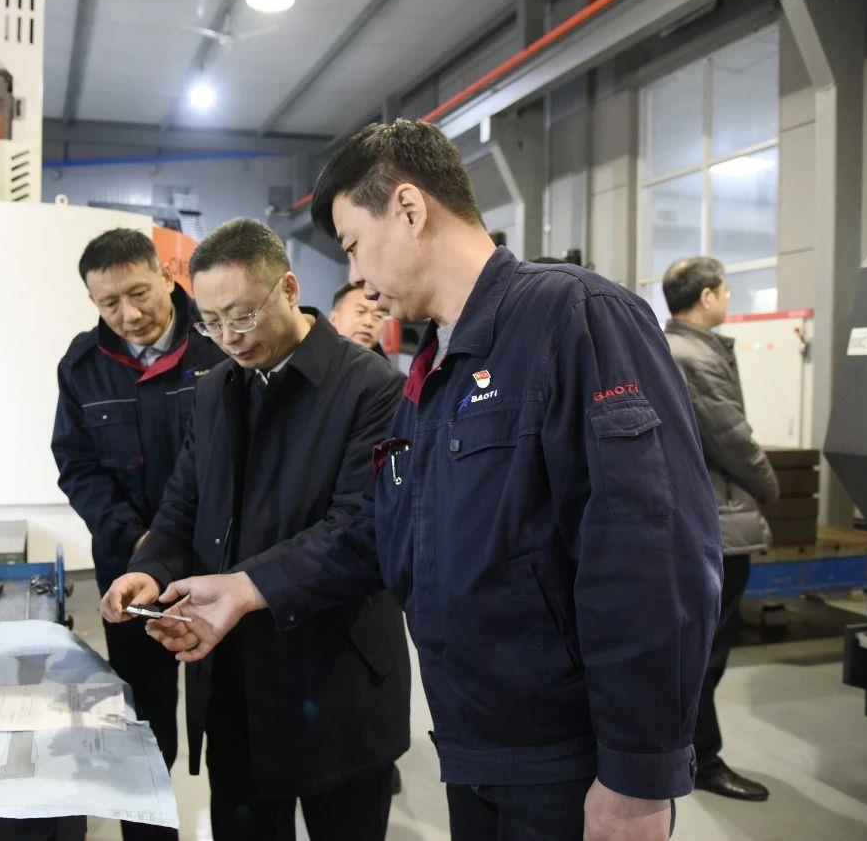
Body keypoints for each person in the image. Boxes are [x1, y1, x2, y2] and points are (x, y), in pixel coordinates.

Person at [140, 120, 723, 841]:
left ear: (410, 209)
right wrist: (247, 587)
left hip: (565, 755)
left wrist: (638, 776)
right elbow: (382, 529)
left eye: (354, 243)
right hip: (475, 740)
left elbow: (653, 554)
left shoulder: (575, 316)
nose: (356, 275)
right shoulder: (436, 368)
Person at [100, 218, 410, 841]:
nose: (228, 338)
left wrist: (244, 588)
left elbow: (362, 528)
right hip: (236, 685)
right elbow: (184, 504)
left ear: (289, 289)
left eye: (241, 316)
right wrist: (150, 569)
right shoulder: (214, 389)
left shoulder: (371, 388)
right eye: (210, 322)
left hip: (336, 678)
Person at [51, 228, 225, 841]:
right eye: (109, 303)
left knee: (233, 716)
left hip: (219, 567)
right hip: (130, 573)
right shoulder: (83, 366)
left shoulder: (217, 344)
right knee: (143, 724)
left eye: (139, 293)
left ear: (166, 275)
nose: (128, 315)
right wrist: (142, 543)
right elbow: (77, 466)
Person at [663, 256, 778, 802]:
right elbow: (733, 437)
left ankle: (690, 752)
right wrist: (769, 486)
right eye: (727, 290)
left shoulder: (674, 347)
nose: (729, 299)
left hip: (698, 519)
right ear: (706, 295)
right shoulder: (695, 357)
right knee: (706, 654)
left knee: (696, 650)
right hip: (717, 522)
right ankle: (701, 760)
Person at [329, 280, 387, 355]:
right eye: (360, 311)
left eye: (377, 316)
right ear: (333, 319)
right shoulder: (315, 356)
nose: (368, 322)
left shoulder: (383, 362)